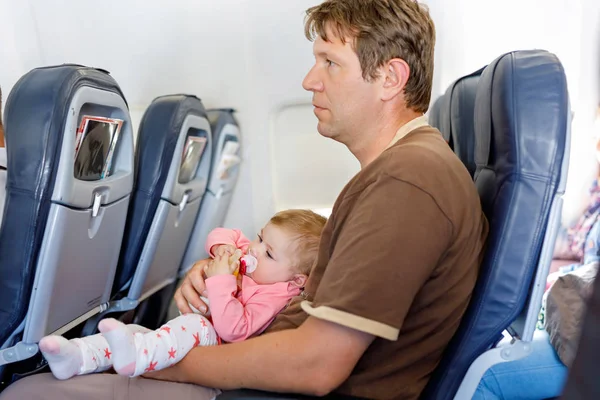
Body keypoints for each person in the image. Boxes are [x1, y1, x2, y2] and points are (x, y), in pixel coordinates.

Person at [0, 1, 488, 399]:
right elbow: (313, 301)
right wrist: (231, 281)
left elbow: (317, 366)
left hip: (275, 392)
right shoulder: (397, 173)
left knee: (29, 394)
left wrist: (160, 362)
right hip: (261, 370)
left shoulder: (407, 183)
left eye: (330, 63)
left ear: (390, 78)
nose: (309, 80)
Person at [37, 209, 326, 379]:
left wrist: (222, 281)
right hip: (201, 330)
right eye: (261, 237)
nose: (254, 249)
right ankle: (78, 357)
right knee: (136, 332)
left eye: (269, 253)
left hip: (221, 343)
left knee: (193, 326)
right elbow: (224, 233)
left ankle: (135, 361)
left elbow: (235, 330)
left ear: (296, 279)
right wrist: (221, 248)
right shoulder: (252, 259)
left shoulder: (274, 295)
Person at [473, 109, 600, 400]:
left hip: (589, 335)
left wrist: (559, 278)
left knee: (487, 376)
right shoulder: (595, 191)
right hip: (580, 314)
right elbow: (579, 248)